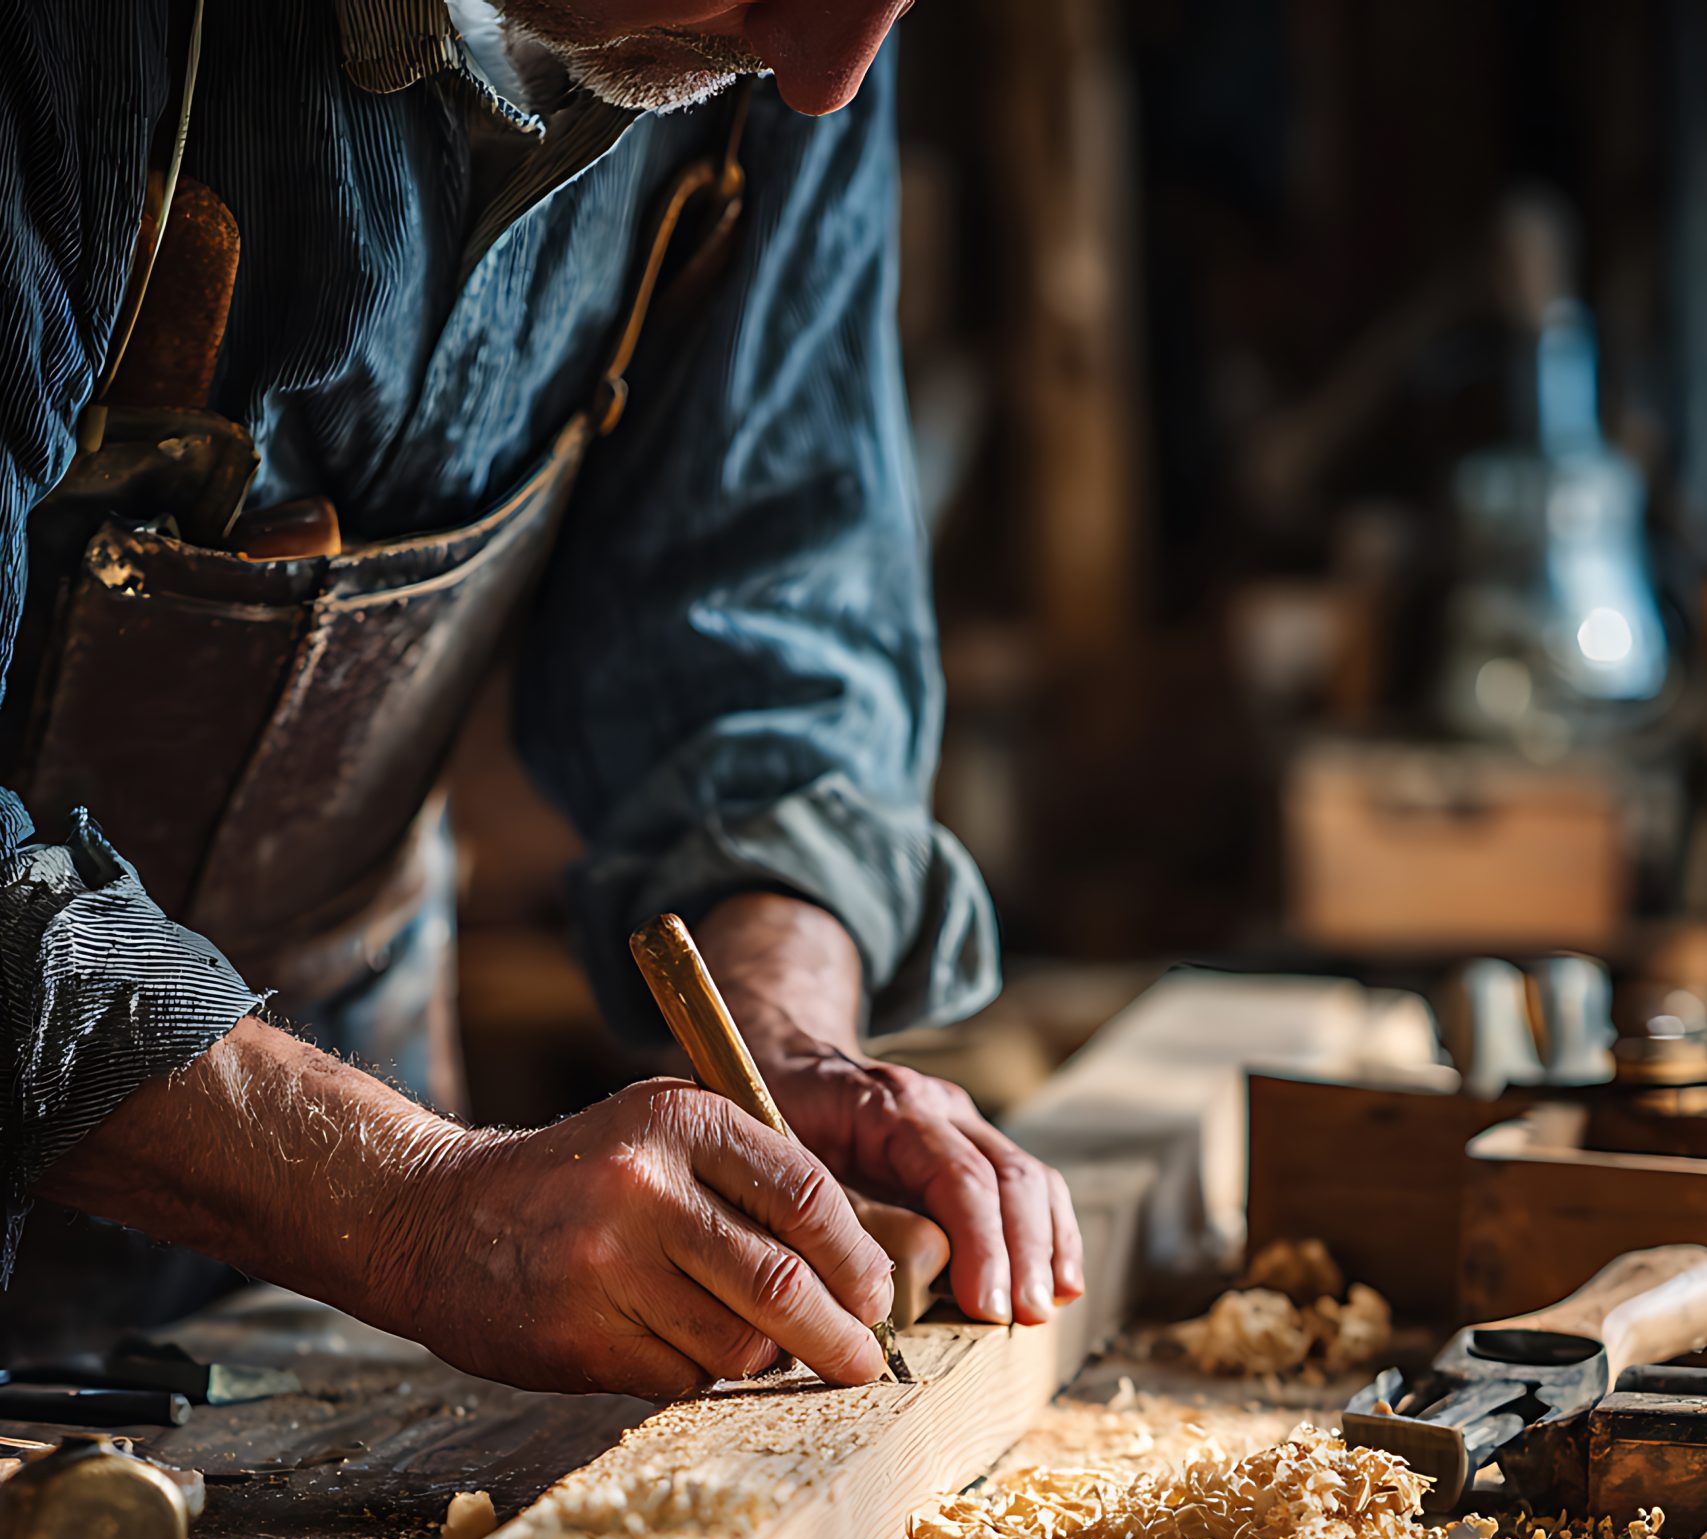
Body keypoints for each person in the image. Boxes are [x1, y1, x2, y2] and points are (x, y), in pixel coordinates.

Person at [0, 0, 1082, 1398]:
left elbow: (759, 621)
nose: (833, 78)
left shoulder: (775, 48)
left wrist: (781, 1022)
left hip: (316, 1151)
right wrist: (402, 1203)